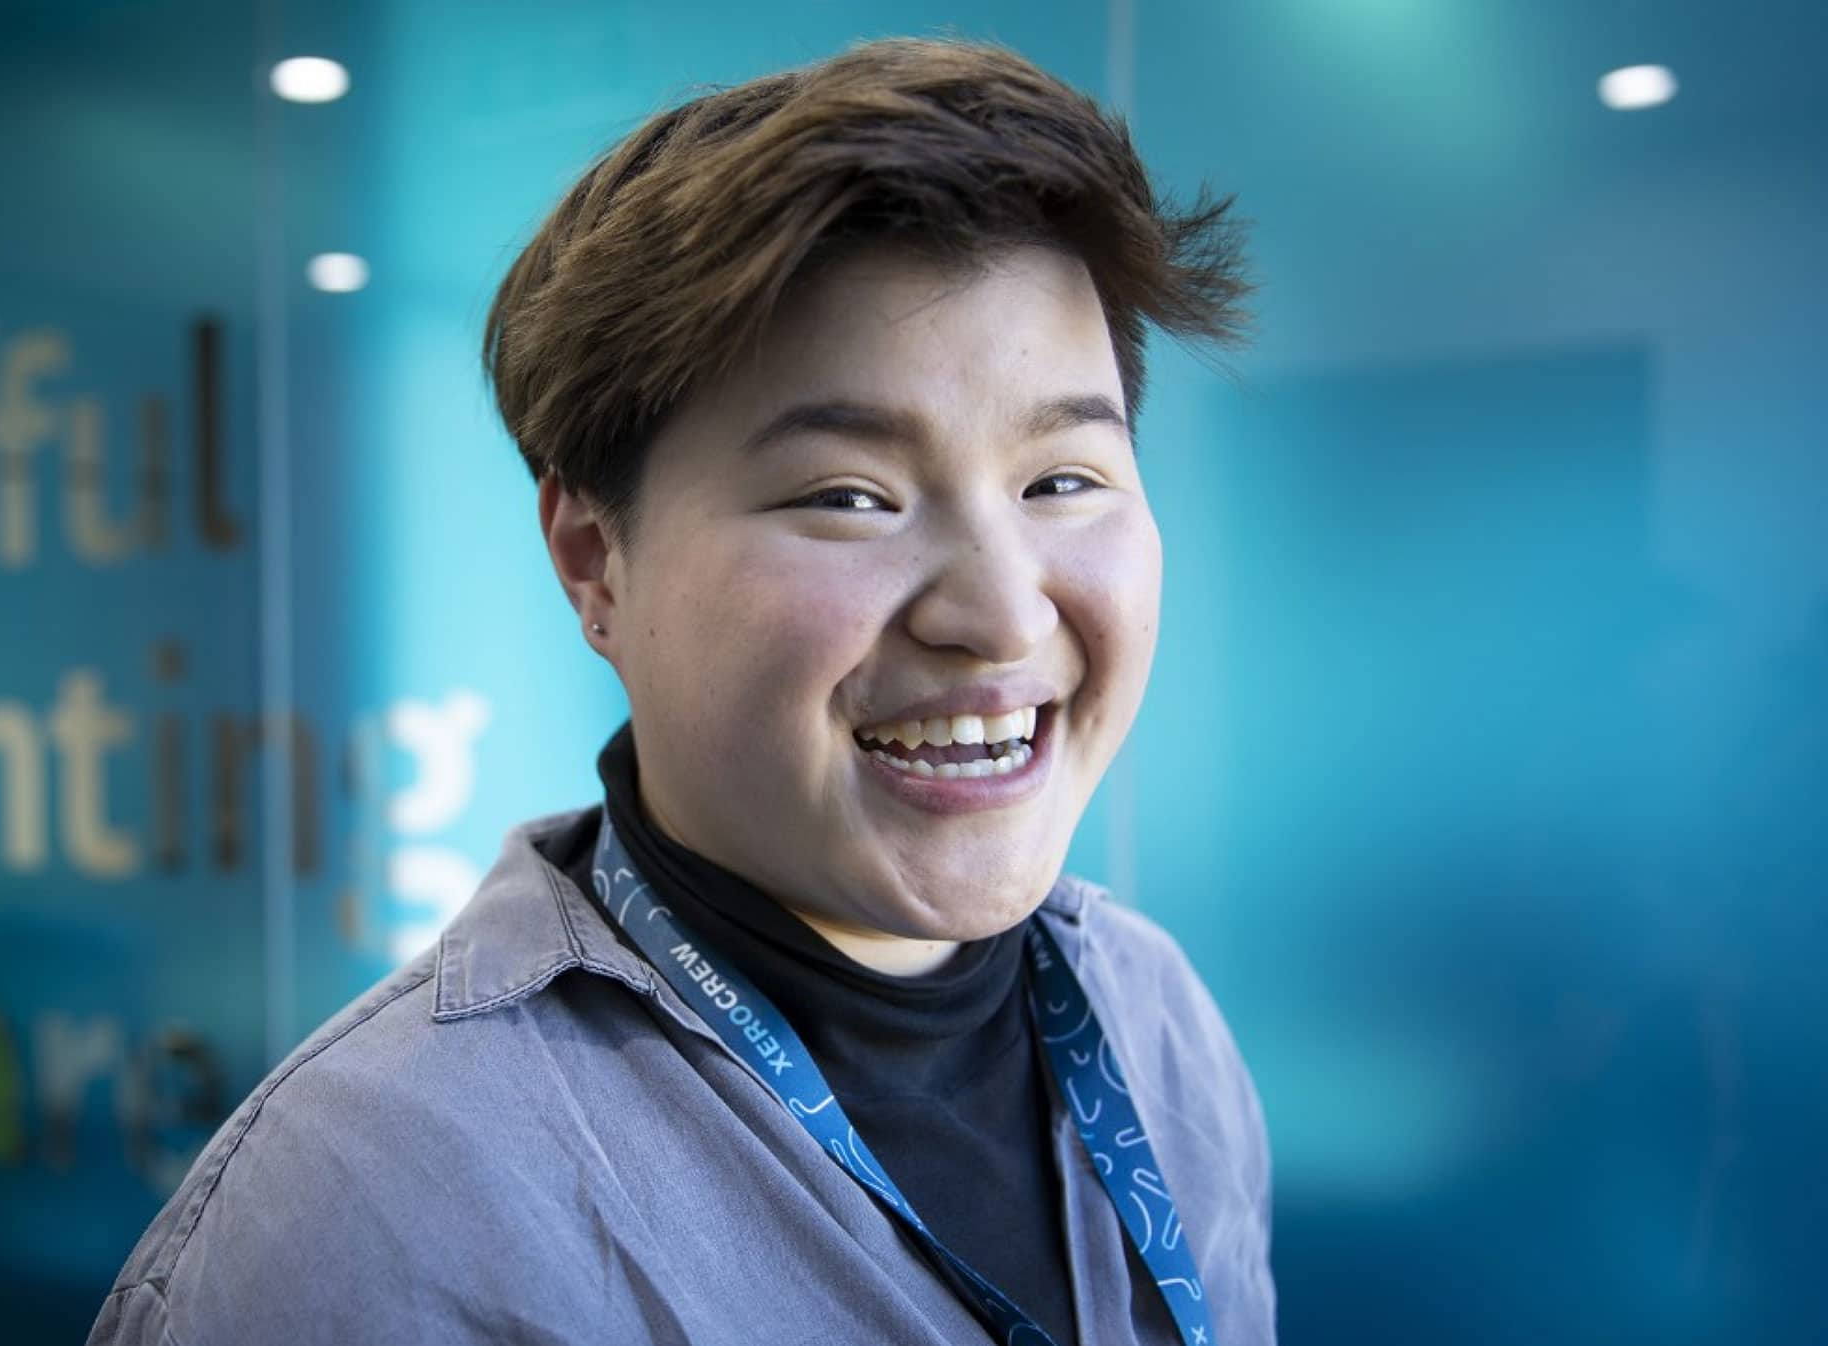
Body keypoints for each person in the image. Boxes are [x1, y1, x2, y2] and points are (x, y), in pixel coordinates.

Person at [88, 34, 1270, 1346]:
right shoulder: (375, 1220)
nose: (998, 612)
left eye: (1063, 480)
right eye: (848, 496)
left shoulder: (1149, 1017)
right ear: (596, 562)